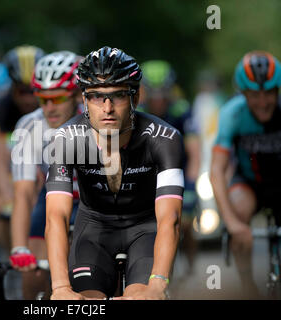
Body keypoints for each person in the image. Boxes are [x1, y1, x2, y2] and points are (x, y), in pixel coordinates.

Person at [45, 47, 185, 300]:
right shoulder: (64, 140)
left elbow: (170, 219)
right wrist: (60, 288)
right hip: (93, 230)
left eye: (118, 96)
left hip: (146, 228)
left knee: (141, 296)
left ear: (135, 97)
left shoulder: (164, 139)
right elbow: (57, 216)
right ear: (84, 100)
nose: (107, 107)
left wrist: (157, 285)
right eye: (97, 97)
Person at [9, 51, 82, 299]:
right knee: (34, 274)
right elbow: (23, 192)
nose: (49, 107)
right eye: (43, 99)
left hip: (92, 198)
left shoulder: (97, 119)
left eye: (58, 98)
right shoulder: (28, 126)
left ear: (77, 94)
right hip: (51, 196)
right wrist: (19, 248)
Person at [210, 51, 281, 298]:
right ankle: (248, 285)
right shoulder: (233, 114)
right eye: (255, 95)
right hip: (249, 183)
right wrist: (232, 223)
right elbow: (216, 171)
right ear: (243, 93)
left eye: (270, 93)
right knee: (238, 212)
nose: (263, 102)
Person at [139, 60, 200, 273]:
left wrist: (191, 184)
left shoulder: (181, 110)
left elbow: (194, 152)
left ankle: (191, 264)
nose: (158, 98)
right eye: (152, 92)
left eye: (162, 92)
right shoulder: (137, 110)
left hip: (179, 171)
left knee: (183, 222)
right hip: (150, 172)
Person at [0, 45, 45, 257]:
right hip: (18, 172)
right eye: (22, 92)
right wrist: (5, 196)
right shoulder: (2, 108)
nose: (29, 99)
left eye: (34, 91)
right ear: (12, 89)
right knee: (3, 207)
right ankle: (11, 257)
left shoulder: (55, 106)